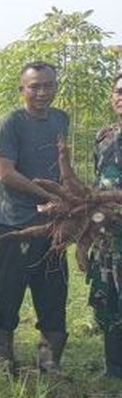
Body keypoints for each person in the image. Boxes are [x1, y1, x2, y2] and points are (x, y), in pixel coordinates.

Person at [0, 61, 70, 373]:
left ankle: (49, 360)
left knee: (53, 291)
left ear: (55, 87)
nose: (41, 92)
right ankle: (3, 360)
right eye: (34, 86)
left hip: (52, 224)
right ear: (22, 89)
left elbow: (62, 163)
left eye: (48, 85)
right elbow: (5, 173)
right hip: (15, 222)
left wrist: (68, 198)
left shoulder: (61, 119)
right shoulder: (10, 122)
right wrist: (50, 196)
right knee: (7, 292)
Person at [90, 72, 122, 379]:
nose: (121, 97)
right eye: (118, 91)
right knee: (107, 297)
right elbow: (95, 182)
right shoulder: (104, 136)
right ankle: (113, 367)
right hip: (107, 235)